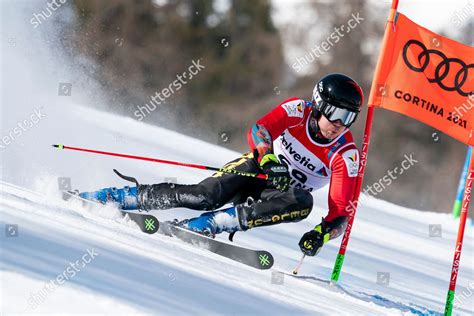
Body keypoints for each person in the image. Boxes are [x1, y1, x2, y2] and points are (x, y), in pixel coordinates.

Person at [80, 73, 363, 257]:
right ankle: (120, 197)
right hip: (254, 170)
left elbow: (340, 213)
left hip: (278, 196)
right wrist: (267, 158)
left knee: (303, 202)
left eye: (348, 118)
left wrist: (322, 234)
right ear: (318, 104)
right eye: (336, 114)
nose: (339, 125)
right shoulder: (297, 111)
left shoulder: (345, 154)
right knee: (204, 196)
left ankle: (209, 225)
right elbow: (260, 129)